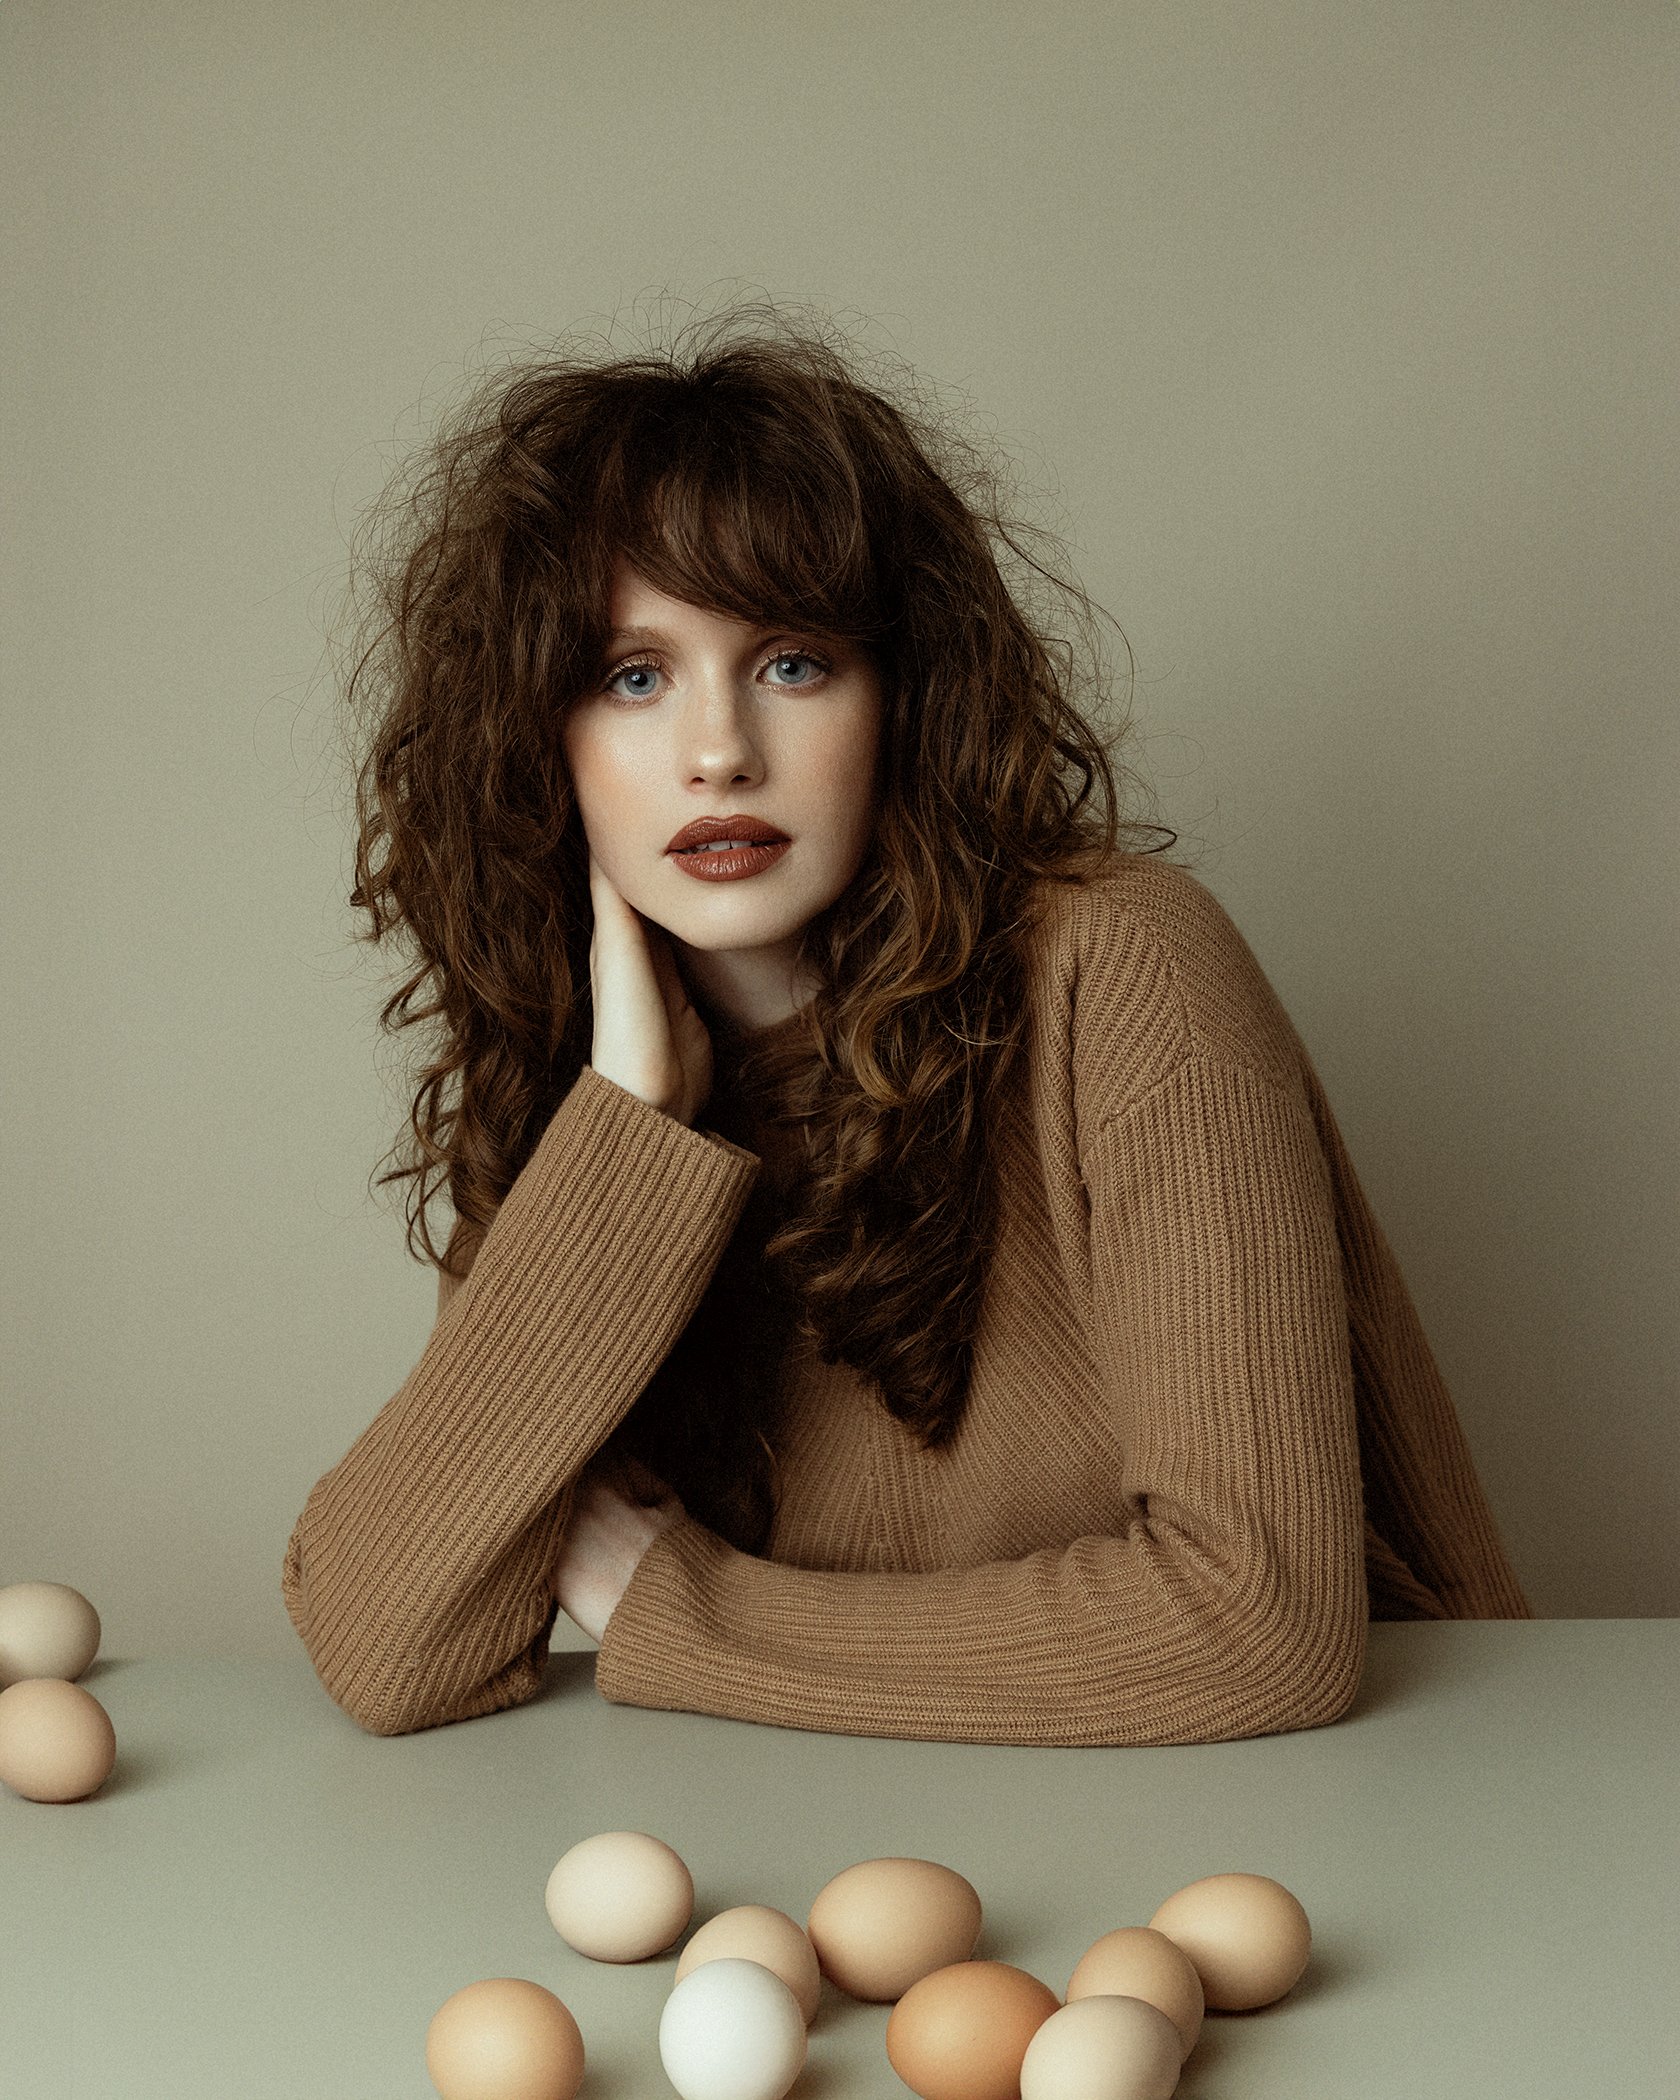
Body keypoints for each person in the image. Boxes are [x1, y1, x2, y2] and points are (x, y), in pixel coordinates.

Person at [281, 301, 1532, 1744]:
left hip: (1362, 1834)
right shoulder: (598, 1105)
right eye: (633, 678)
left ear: (903, 702)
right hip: (865, 1856)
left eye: (792, 662)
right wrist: (628, 1127)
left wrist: (673, 1612)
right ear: (536, 745)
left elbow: (1255, 1628)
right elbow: (389, 1646)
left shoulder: (1121, 972)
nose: (718, 751)